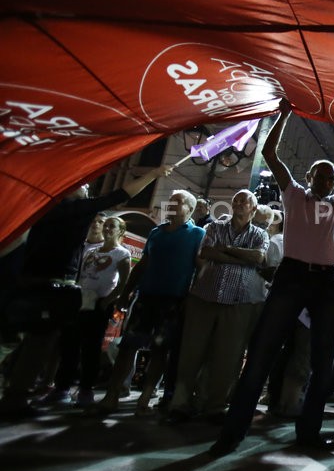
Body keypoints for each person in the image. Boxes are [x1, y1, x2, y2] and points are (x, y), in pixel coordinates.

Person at [209, 101, 334, 456]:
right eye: (320, 176)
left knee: (324, 361)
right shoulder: (293, 194)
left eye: (331, 178)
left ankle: (308, 432)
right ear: (309, 178)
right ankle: (233, 431)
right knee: (261, 351)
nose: (325, 181)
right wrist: (285, 114)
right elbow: (270, 152)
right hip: (291, 276)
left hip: (325, 282)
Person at [0, 166, 173, 418]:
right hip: (54, 285)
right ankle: (16, 397)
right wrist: (153, 175)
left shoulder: (40, 208)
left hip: (25, 281)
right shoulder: (77, 210)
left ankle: (14, 391)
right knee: (38, 342)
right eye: (83, 186)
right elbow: (121, 194)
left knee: (13, 339)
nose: (88, 188)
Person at [93, 189, 206, 415]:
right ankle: (112, 394)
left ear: (190, 209)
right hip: (146, 297)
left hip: (174, 300)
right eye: (171, 200)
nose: (173, 205)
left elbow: (200, 268)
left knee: (160, 350)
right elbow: (143, 264)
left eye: (179, 202)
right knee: (128, 346)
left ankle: (145, 397)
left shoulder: (197, 234)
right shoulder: (156, 232)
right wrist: (126, 293)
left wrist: (191, 296)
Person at [165, 189, 268, 423]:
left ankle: (214, 405)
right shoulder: (215, 227)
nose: (240, 203)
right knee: (191, 353)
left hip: (238, 302)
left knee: (228, 356)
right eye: (237, 200)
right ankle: (180, 403)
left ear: (253, 208)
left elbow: (258, 258)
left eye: (245, 201)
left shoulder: (260, 234)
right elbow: (207, 251)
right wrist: (239, 258)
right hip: (204, 297)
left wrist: (226, 250)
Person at [36, 215, 131, 408]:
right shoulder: (91, 250)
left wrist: (107, 302)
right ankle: (61, 388)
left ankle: (85, 390)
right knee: (69, 345)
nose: (107, 229)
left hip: (98, 306)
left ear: (120, 231)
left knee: (91, 349)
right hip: (79, 303)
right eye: (106, 226)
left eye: (112, 226)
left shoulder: (122, 254)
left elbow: (123, 283)